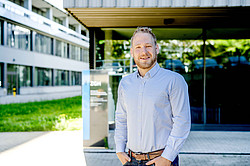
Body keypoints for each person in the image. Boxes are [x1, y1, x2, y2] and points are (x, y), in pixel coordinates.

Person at [114, 27, 191, 166]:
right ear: (132, 52)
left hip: (161, 160)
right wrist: (119, 149)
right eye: (138, 47)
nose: (143, 52)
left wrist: (167, 158)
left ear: (157, 48)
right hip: (131, 160)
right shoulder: (125, 83)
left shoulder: (174, 81)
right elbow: (121, 118)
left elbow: (182, 121)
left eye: (148, 46)